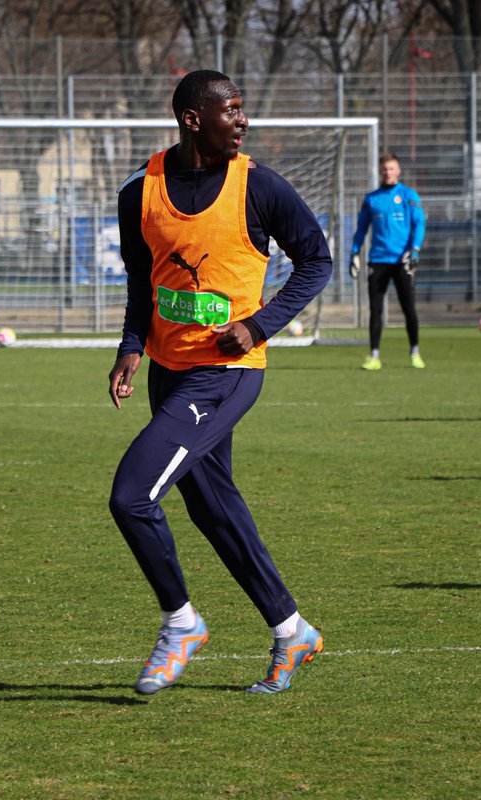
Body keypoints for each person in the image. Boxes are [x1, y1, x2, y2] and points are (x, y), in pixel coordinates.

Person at [107, 70, 332, 695]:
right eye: (231, 110)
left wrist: (259, 326)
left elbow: (318, 260)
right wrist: (131, 347)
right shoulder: (140, 192)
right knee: (212, 508)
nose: (243, 119)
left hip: (227, 375)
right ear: (192, 119)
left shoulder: (260, 186)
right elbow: (140, 284)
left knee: (131, 497)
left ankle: (181, 623)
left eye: (243, 108)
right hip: (168, 372)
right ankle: (293, 632)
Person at [348, 154, 427, 370]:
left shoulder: (409, 195)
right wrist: (354, 253)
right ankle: (374, 356)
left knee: (408, 308)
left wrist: (415, 250)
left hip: (403, 261)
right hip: (378, 260)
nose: (388, 172)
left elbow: (419, 224)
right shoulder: (372, 199)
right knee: (375, 310)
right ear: (380, 171)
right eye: (384, 169)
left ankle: (415, 352)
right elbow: (361, 228)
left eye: (391, 169)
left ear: (399, 171)